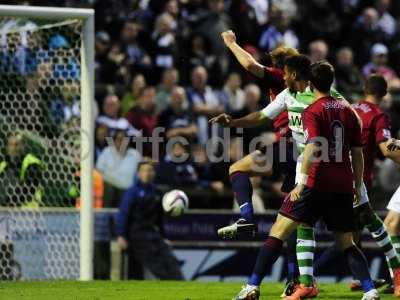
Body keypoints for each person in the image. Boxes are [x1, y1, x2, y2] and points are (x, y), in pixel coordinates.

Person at [232, 61, 380, 300]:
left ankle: (252, 287)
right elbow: (357, 152)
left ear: (311, 82)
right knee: (347, 242)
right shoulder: (346, 110)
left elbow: (312, 147)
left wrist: (301, 183)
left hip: (315, 182)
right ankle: (370, 290)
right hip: (342, 185)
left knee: (278, 232)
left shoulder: (313, 109)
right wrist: (357, 183)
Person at [315, 75, 400, 296]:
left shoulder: (348, 108)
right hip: (358, 182)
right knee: (351, 236)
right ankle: (308, 277)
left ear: (364, 88)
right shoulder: (379, 115)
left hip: (332, 174)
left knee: (354, 234)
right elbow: (386, 149)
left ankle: (359, 278)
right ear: (384, 94)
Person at [116, 161, 183, 280]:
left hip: (153, 234)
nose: (147, 173)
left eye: (150, 170)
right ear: (138, 173)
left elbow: (159, 218)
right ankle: (171, 286)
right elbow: (123, 214)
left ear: (154, 173)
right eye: (144, 170)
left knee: (171, 262)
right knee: (156, 267)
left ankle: (180, 284)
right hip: (137, 236)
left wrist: (164, 237)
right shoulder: (132, 192)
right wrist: (121, 235)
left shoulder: (157, 192)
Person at [96, 130, 142, 207]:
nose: (121, 142)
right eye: (119, 139)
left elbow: (140, 173)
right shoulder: (107, 152)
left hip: (127, 189)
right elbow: (98, 170)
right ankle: (106, 216)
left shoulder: (135, 154)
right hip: (109, 186)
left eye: (124, 139)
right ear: (114, 141)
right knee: (110, 189)